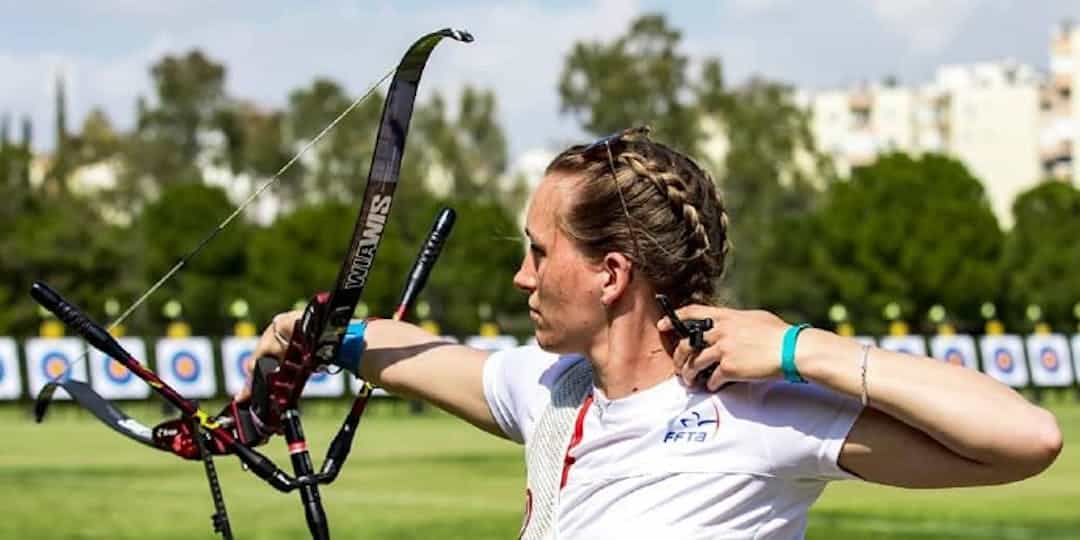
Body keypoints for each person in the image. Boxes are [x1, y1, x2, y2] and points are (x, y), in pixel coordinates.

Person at [245, 127, 1062, 539]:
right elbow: (421, 356)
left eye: (539, 253)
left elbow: (1025, 437)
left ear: (610, 274)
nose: (523, 279)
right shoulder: (551, 388)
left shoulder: (760, 410)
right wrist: (320, 336)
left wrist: (796, 348)